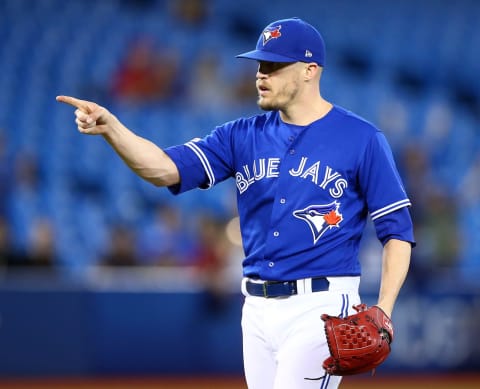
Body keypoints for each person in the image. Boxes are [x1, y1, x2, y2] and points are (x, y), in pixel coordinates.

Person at [57, 17, 414, 389]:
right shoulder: (239, 136)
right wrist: (113, 128)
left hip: (319, 309)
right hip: (256, 308)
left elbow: (398, 232)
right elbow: (164, 169)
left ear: (310, 71)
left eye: (274, 66)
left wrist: (384, 307)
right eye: (260, 64)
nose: (261, 74)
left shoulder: (361, 138)